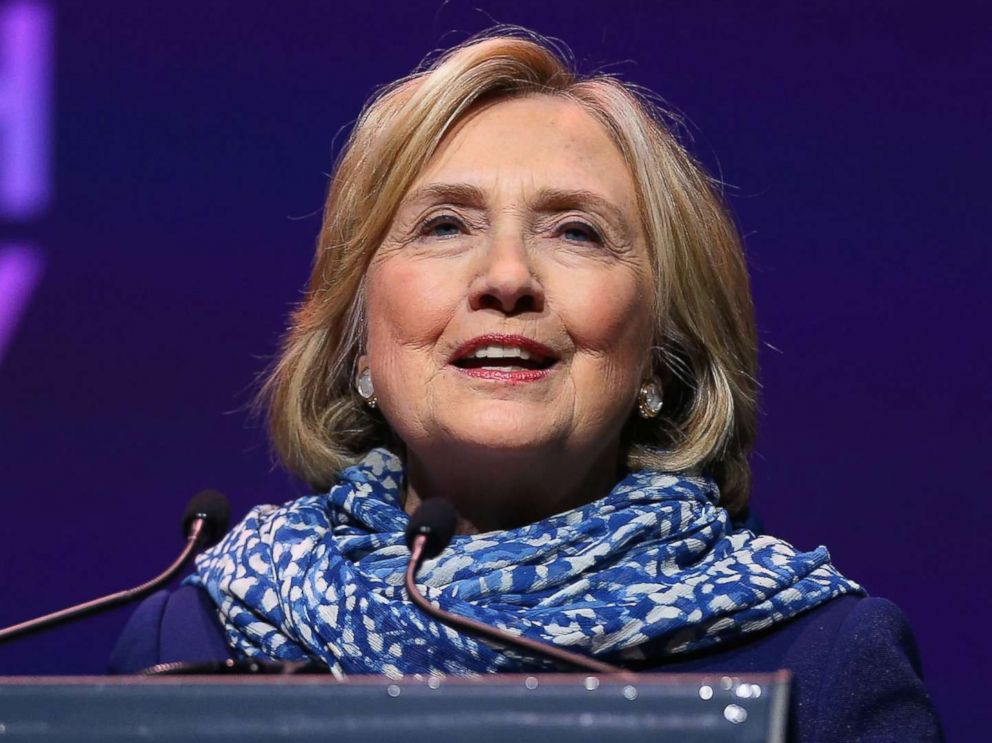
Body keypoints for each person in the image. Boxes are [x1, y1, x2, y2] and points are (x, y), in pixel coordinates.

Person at [110, 30, 943, 741]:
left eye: (576, 232)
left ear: (661, 351)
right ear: (358, 340)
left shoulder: (823, 668)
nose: (507, 277)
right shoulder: (192, 637)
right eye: (444, 226)